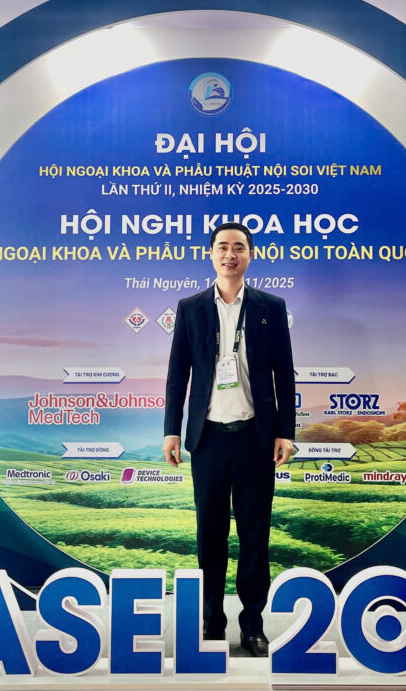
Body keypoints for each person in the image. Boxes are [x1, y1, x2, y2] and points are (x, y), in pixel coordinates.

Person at [163, 222, 295, 658]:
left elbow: (284, 373)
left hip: (255, 439)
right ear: (212, 254)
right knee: (211, 536)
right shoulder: (191, 308)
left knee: (255, 537)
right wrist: (171, 430)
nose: (230, 254)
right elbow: (178, 374)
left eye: (239, 247)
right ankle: (212, 622)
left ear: (250, 255)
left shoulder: (270, 307)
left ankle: (253, 626)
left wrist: (285, 432)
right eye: (223, 247)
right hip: (208, 440)